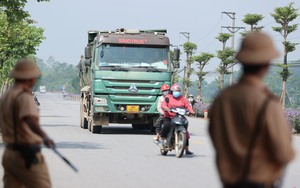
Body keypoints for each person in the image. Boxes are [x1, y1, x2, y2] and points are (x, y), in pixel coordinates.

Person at [209, 32, 295, 188]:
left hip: (229, 182)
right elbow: (284, 152)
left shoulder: (222, 99)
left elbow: (214, 135)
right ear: (266, 64)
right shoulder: (267, 103)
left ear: (242, 61)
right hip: (259, 182)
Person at [0, 58, 55, 188]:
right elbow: (29, 119)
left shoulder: (6, 96)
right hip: (25, 155)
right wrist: (45, 137)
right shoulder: (24, 96)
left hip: (9, 153)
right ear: (29, 77)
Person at [161, 84, 195, 155]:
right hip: (169, 116)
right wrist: (167, 108)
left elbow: (188, 106)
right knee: (166, 125)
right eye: (176, 91)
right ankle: (164, 139)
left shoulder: (182, 98)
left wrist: (191, 111)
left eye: (178, 91)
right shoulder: (168, 97)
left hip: (179, 116)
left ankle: (187, 149)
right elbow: (163, 105)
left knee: (186, 131)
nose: (177, 92)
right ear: (172, 91)